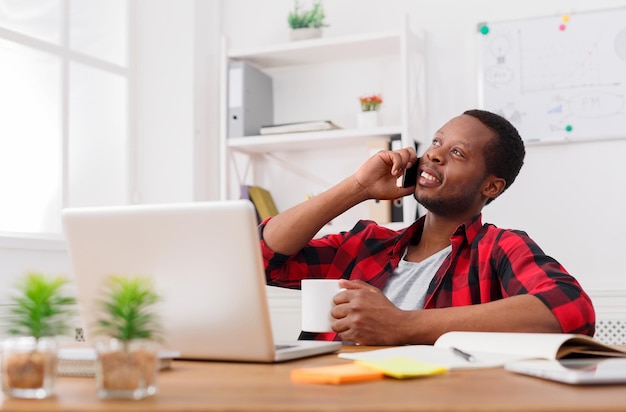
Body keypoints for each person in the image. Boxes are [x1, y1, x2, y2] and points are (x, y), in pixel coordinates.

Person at [259, 109, 595, 345]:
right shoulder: (366, 242)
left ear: (491, 187)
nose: (434, 155)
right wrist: (358, 188)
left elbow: (571, 310)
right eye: (436, 142)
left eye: (458, 153)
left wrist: (403, 324)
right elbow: (260, 260)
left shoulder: (498, 248)